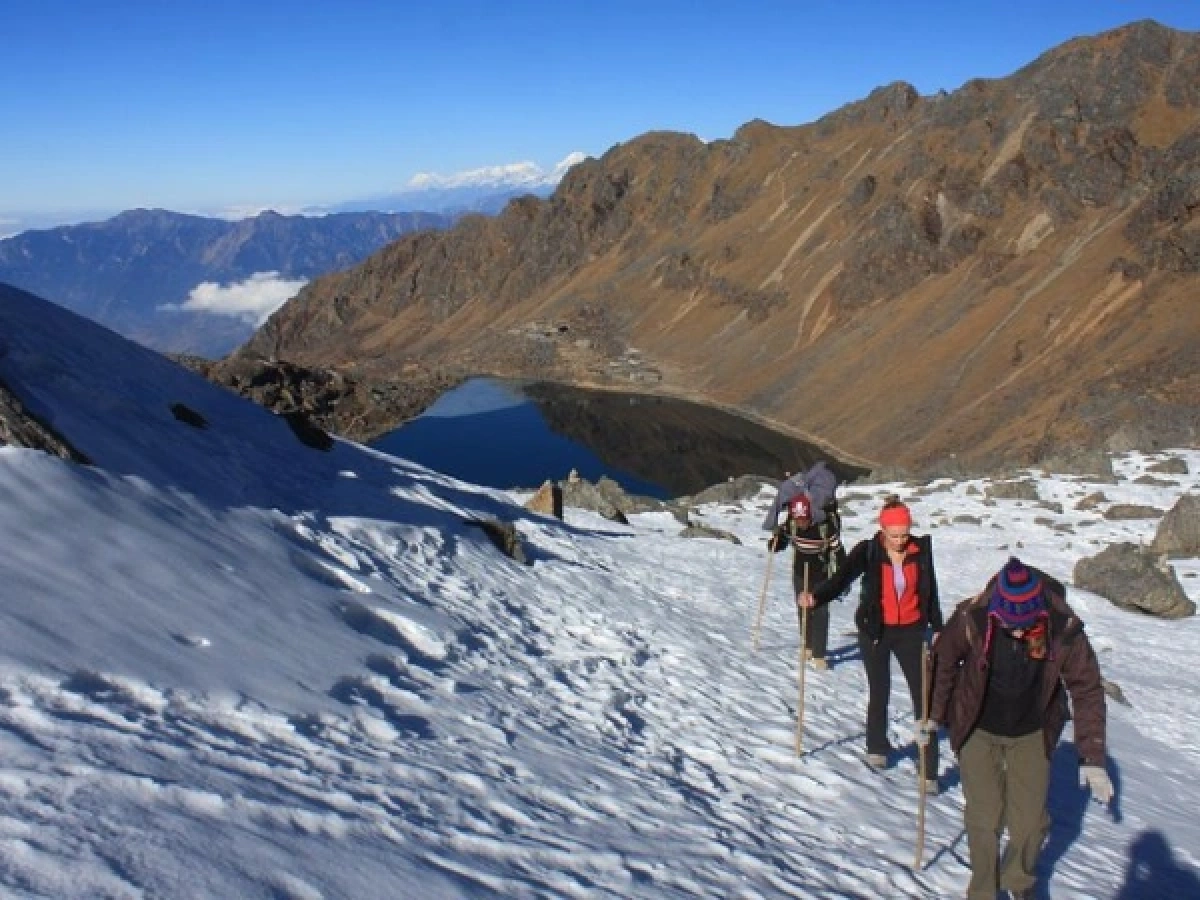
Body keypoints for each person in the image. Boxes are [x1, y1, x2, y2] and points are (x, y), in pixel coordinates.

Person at [927, 557, 1110, 900]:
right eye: (1010, 625)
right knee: (985, 817)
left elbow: (1086, 688)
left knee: (1030, 823)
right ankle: (982, 891)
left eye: (1025, 626)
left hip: (1031, 733)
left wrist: (1093, 756)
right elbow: (943, 660)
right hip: (978, 729)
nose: (1018, 632)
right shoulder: (974, 617)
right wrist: (933, 716)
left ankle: (1018, 880)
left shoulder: (1061, 629)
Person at [798, 496, 942, 788]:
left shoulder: (921, 550)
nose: (900, 540)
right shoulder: (869, 551)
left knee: (924, 698)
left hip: (912, 631)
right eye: (894, 535)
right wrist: (817, 596)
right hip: (875, 630)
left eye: (904, 534)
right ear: (883, 530)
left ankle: (929, 767)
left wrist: (937, 626)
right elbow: (843, 577)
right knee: (880, 690)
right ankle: (877, 747)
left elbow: (930, 590)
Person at [767, 491, 845, 669]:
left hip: (821, 575)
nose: (801, 523)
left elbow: (838, 551)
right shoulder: (792, 524)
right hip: (800, 573)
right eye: (798, 519)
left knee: (820, 612)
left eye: (804, 519)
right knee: (803, 609)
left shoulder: (824, 527)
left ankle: (819, 654)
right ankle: (807, 645)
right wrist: (775, 544)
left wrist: (841, 575)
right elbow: (784, 539)